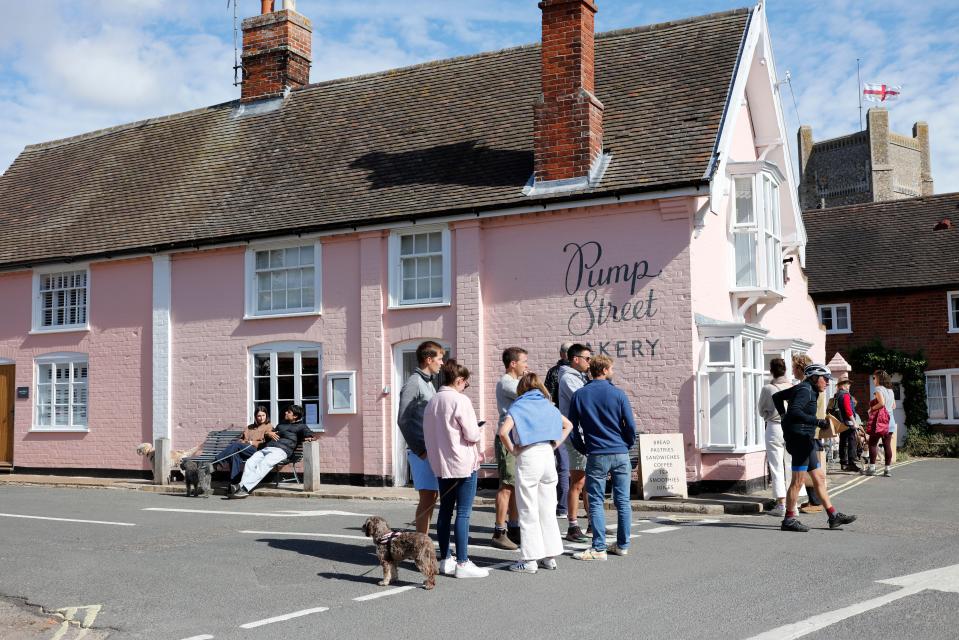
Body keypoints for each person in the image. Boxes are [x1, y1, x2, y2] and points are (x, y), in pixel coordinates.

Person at [499, 373, 573, 573]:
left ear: (521, 389)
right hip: (548, 455)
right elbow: (569, 425)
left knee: (528, 509)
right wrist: (554, 443)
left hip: (528, 456)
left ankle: (529, 559)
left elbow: (503, 432)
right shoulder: (549, 405)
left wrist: (513, 449)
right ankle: (550, 556)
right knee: (547, 508)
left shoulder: (518, 406)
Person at [423, 360, 488, 579]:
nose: (465, 387)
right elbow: (471, 434)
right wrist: (478, 431)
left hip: (441, 463)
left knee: (445, 511)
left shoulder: (432, 401)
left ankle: (446, 559)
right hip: (462, 462)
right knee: (463, 513)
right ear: (458, 380)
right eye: (465, 384)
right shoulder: (460, 400)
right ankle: (463, 562)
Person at [773, 364, 857, 532]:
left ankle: (833, 516)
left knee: (819, 478)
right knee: (797, 481)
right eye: (824, 379)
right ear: (814, 377)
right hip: (800, 441)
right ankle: (789, 519)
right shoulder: (805, 390)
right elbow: (795, 411)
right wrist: (817, 421)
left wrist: (783, 416)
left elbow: (777, 397)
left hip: (807, 439)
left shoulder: (804, 388)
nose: (827, 382)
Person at [568, 355, 636, 560]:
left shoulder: (580, 395)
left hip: (596, 453)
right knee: (623, 501)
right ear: (605, 370)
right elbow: (630, 426)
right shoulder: (618, 394)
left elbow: (572, 429)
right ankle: (622, 545)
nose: (613, 372)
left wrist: (583, 447)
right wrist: (627, 444)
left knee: (596, 501)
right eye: (612, 368)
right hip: (620, 452)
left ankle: (599, 547)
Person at [397, 340, 445, 534]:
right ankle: (420, 545)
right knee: (427, 498)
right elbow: (403, 420)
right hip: (422, 452)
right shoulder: (414, 383)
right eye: (439, 359)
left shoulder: (428, 383)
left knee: (432, 497)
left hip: (430, 450)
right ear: (428, 359)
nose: (442, 363)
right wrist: (421, 449)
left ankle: (422, 542)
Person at [230, 404, 316, 499]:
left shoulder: (301, 426)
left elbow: (310, 434)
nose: (285, 412)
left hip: (281, 451)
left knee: (264, 464)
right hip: (267, 448)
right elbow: (268, 437)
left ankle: (244, 488)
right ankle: (241, 487)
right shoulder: (281, 424)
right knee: (250, 462)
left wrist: (310, 438)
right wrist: (268, 433)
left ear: (295, 416)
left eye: (289, 412)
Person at [758, 358, 804, 517]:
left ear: (771, 371)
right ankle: (794, 504)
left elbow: (761, 410)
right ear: (785, 371)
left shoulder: (767, 388)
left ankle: (781, 504)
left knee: (776, 466)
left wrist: (769, 415)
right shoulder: (793, 387)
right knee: (792, 464)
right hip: (792, 428)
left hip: (774, 427)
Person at [492, 347, 527, 550]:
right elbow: (530, 394)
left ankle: (514, 527)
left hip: (518, 438)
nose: (526, 365)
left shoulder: (516, 382)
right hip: (507, 439)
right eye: (524, 361)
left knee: (515, 485)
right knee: (506, 486)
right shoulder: (507, 383)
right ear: (513, 363)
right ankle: (499, 531)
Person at [558, 343, 591, 542]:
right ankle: (573, 526)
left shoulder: (580, 377)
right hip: (576, 434)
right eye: (587, 358)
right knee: (578, 481)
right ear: (576, 359)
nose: (590, 362)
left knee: (589, 481)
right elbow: (585, 400)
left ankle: (592, 523)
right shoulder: (568, 378)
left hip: (586, 434)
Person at [544, 342, 574, 518]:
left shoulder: (554, 372)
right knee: (565, 465)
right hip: (565, 422)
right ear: (564, 355)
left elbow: (548, 397)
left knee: (563, 464)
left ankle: (563, 505)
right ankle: (563, 507)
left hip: (558, 421)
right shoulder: (574, 374)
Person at [223, 405, 273, 493]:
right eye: (259, 416)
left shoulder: (269, 427)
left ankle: (217, 462)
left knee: (236, 445)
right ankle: (234, 484)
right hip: (244, 450)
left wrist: (250, 442)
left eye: (263, 415)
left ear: (266, 415)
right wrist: (242, 441)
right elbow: (242, 439)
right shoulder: (249, 427)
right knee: (235, 455)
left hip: (257, 451)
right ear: (255, 417)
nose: (261, 418)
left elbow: (265, 443)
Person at [866, 369, 896, 477]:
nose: (873, 380)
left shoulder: (878, 389)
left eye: (874, 378)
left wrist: (871, 409)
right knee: (887, 445)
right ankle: (887, 469)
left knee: (872, 443)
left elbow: (882, 403)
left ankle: (872, 468)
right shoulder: (891, 391)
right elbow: (893, 406)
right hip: (890, 420)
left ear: (879, 378)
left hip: (880, 421)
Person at [831, 378, 861, 472]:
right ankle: (851, 463)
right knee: (852, 442)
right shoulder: (845, 395)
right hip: (848, 422)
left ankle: (843, 463)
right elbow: (848, 410)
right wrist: (854, 422)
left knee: (843, 442)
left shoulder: (837, 395)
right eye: (847, 384)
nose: (849, 386)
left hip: (841, 422)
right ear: (842, 385)